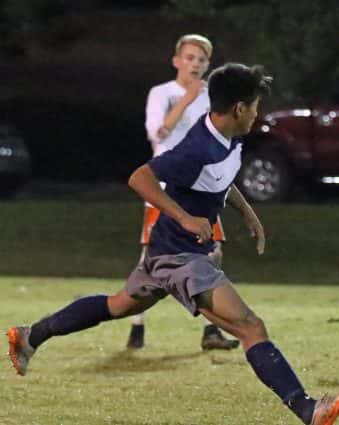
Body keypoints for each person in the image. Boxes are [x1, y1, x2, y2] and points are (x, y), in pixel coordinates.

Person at [7, 63, 339, 425]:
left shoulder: (230, 136)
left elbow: (221, 177)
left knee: (118, 305)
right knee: (250, 327)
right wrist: (185, 218)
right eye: (254, 105)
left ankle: (30, 336)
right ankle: (308, 409)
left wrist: (248, 213)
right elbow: (139, 178)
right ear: (238, 109)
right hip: (181, 258)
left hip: (166, 254)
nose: (257, 112)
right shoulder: (196, 148)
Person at [131, 33, 238, 350]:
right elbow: (158, 132)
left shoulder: (211, 99)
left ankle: (211, 331)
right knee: (151, 253)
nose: (195, 64)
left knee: (213, 250)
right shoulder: (162, 93)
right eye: (190, 58)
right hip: (166, 187)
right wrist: (188, 99)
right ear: (176, 61)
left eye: (202, 60)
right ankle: (136, 324)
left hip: (203, 186)